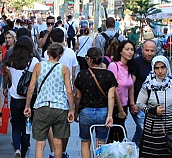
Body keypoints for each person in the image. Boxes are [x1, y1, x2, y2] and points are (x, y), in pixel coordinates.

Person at [24, 43, 74, 158]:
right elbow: (69, 91)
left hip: (41, 106)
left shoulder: (38, 66)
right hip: (60, 107)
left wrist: (27, 105)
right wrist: (71, 109)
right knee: (58, 143)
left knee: (40, 143)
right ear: (60, 55)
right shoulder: (64, 69)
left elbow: (31, 88)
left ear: (47, 53)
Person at [74, 47, 116, 158]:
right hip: (103, 111)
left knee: (85, 141)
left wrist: (76, 111)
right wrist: (110, 115)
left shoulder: (82, 75)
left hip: (86, 111)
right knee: (101, 143)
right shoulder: (109, 75)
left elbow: (78, 96)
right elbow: (111, 97)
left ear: (89, 59)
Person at [44, 28, 78, 158]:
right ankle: (62, 151)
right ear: (64, 38)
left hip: (51, 92)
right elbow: (73, 74)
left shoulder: (48, 53)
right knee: (65, 124)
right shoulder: (70, 53)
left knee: (50, 124)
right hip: (66, 91)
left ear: (51, 39)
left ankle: (54, 151)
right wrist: (74, 91)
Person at [5, 36, 39, 158]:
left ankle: (17, 149)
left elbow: (8, 75)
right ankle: (23, 153)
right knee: (27, 126)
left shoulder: (11, 59)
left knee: (16, 125)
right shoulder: (34, 61)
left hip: (15, 97)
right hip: (29, 99)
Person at [130, 40, 157, 147]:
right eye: (147, 50)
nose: (149, 53)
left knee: (141, 132)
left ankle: (133, 148)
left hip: (154, 104)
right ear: (142, 49)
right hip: (138, 103)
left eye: (152, 51)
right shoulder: (136, 62)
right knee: (146, 130)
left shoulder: (158, 62)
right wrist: (132, 103)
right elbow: (131, 84)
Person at [107, 40, 134, 142]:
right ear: (120, 51)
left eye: (132, 50)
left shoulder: (129, 67)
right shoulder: (114, 66)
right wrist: (120, 110)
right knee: (117, 135)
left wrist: (131, 104)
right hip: (115, 106)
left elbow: (130, 86)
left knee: (119, 135)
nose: (130, 52)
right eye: (127, 49)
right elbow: (113, 89)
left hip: (124, 104)